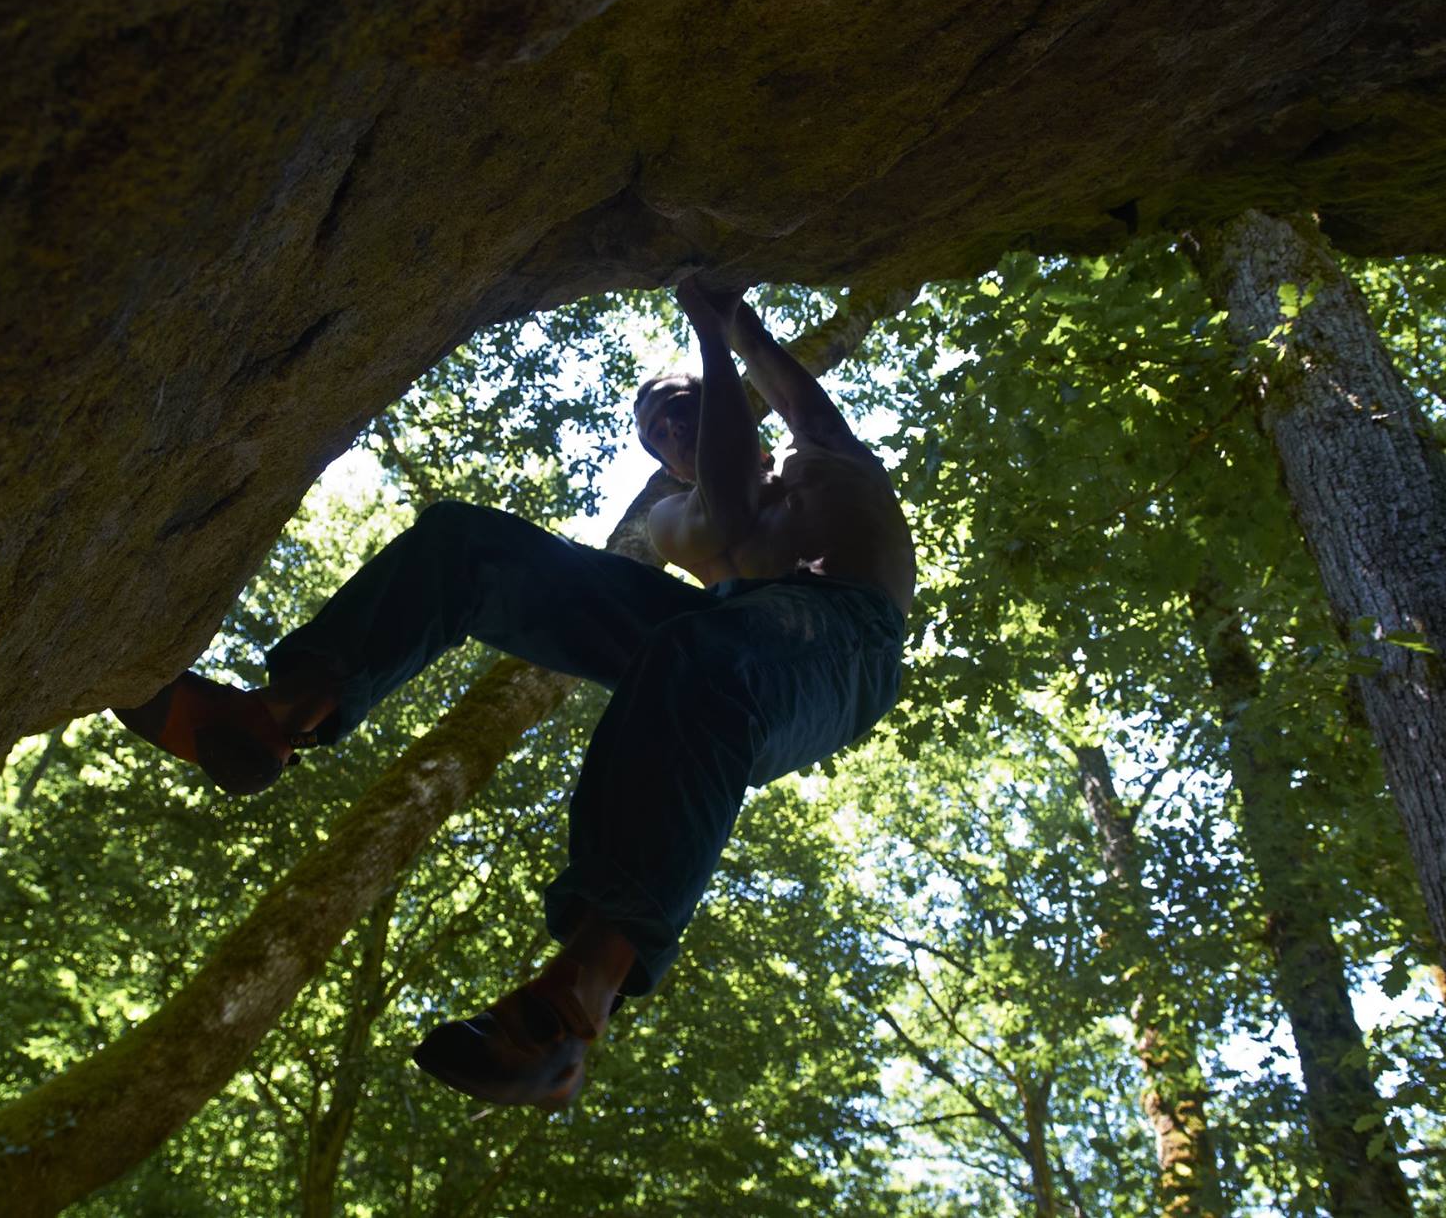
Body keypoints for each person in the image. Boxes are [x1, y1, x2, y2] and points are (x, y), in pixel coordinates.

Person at [114, 279, 915, 1109]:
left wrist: (727, 319)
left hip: (841, 646)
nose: (670, 430)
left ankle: (575, 1006)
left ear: (726, 399)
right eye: (654, 433)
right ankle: (281, 709)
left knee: (705, 654)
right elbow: (738, 515)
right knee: (473, 547)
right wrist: (710, 345)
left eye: (682, 408)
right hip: (727, 627)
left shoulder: (826, 455)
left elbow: (786, 396)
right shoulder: (677, 519)